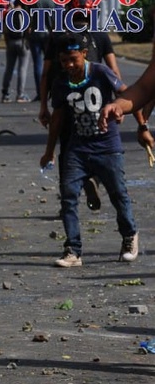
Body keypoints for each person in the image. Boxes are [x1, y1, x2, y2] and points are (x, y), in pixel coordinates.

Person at [40, 32, 141, 267]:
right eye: (64, 61)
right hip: (78, 148)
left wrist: (142, 126)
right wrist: (49, 151)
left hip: (107, 147)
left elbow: (128, 95)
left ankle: (129, 235)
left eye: (73, 59)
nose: (69, 65)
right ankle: (73, 250)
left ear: (84, 54)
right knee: (68, 196)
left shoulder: (100, 72)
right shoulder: (61, 82)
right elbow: (58, 118)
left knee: (118, 194)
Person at [37, 0, 122, 212]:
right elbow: (114, 70)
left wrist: (43, 105)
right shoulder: (100, 35)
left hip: (65, 100)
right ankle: (93, 178)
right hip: (97, 104)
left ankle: (68, 202)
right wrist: (120, 103)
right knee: (97, 145)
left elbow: (46, 73)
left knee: (67, 149)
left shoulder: (57, 36)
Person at [1, 0, 31, 103]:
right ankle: (20, 94)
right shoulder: (25, 14)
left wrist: (7, 43)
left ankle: (5, 94)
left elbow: (5, 30)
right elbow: (29, 29)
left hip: (11, 42)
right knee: (22, 69)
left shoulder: (9, 13)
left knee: (9, 68)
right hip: (22, 43)